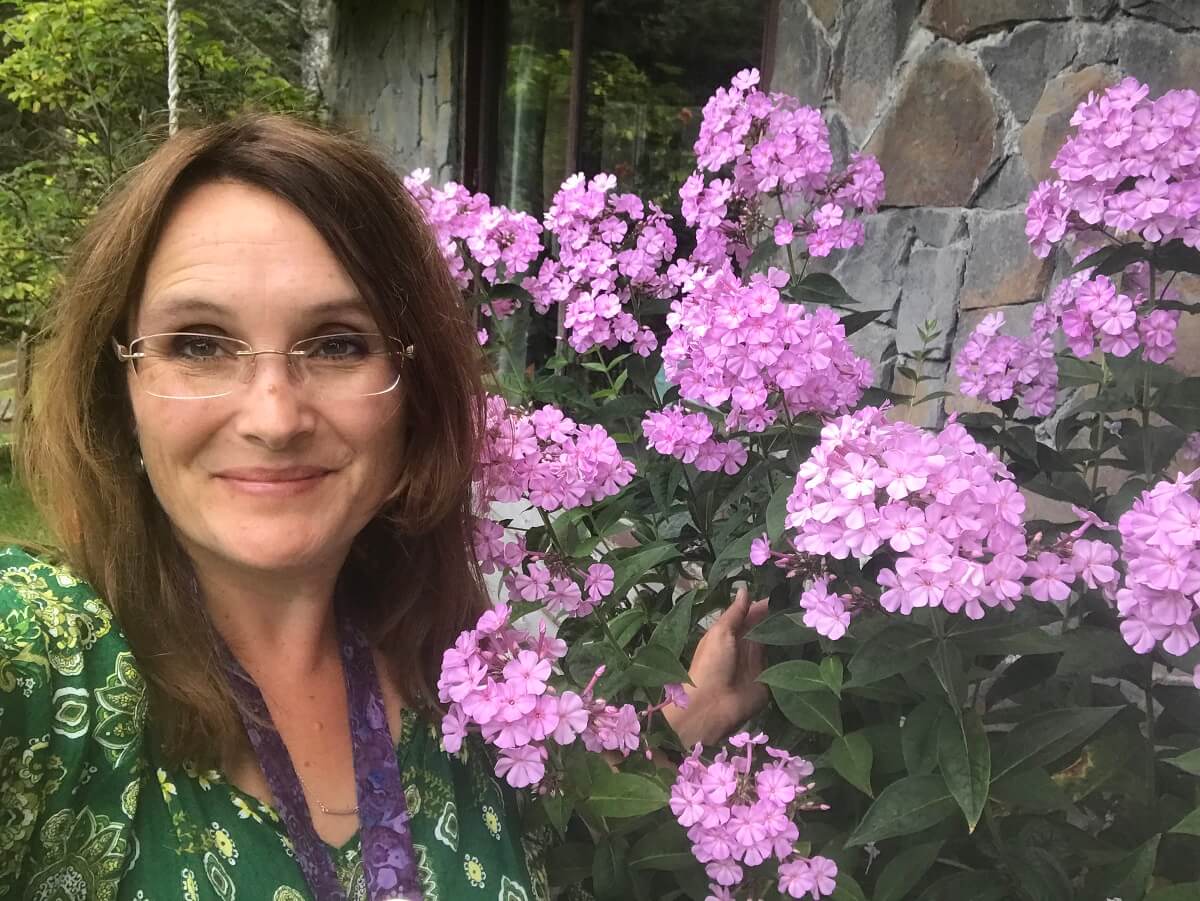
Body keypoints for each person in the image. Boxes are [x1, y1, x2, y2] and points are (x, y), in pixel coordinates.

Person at [0, 114, 768, 900]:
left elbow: (543, 823)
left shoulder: (462, 685)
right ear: (118, 391)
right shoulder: (45, 661)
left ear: (413, 397)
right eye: (199, 344)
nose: (274, 418)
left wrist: (681, 727)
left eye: (337, 343)